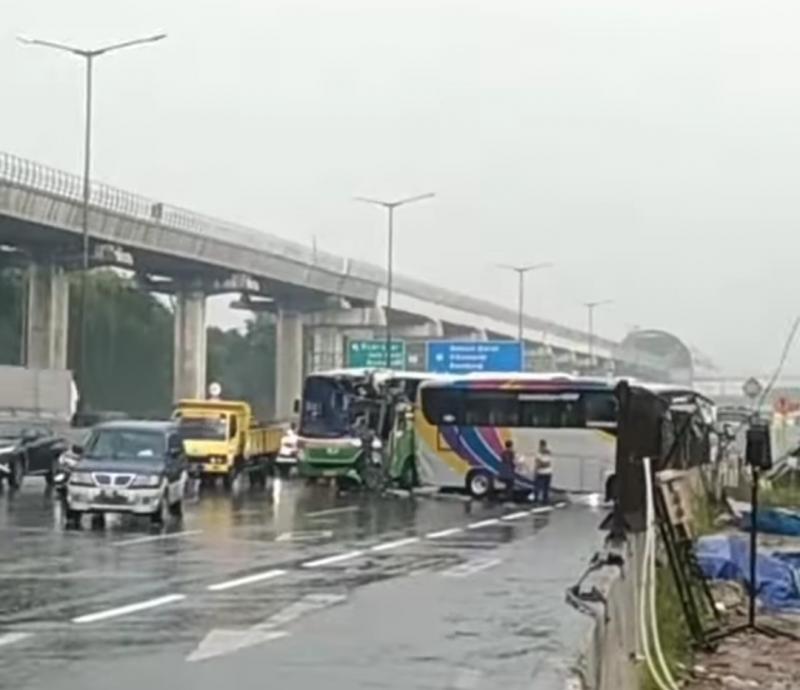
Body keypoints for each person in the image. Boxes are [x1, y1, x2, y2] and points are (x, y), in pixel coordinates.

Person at [533, 439, 553, 504]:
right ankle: (545, 499)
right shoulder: (549, 452)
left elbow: (538, 463)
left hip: (541, 472)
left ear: (540, 445)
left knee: (538, 486)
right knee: (546, 487)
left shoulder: (538, 453)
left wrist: (535, 471)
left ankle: (536, 499)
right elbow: (549, 462)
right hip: (549, 472)